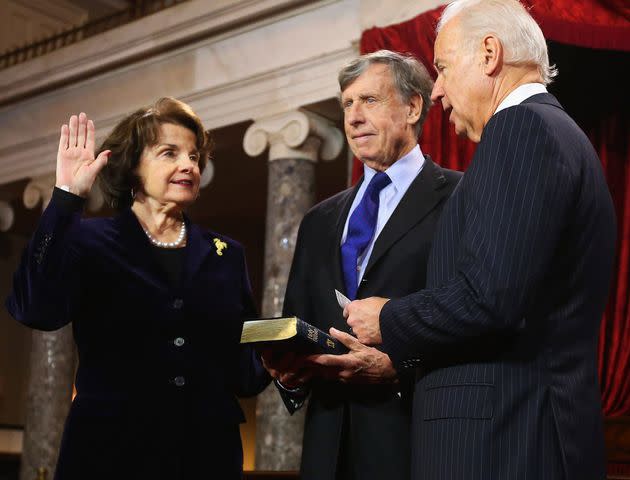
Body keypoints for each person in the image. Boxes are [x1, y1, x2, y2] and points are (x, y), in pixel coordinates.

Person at [320, 1, 616, 479]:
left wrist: (387, 318)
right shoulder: (556, 131)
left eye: (441, 68)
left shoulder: (521, 129)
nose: (436, 90)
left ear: (489, 54)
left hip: (502, 443)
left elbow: (492, 297)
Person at [6, 97, 270, 479]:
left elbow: (243, 371)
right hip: (110, 454)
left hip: (206, 456)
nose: (188, 165)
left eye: (195, 156)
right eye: (170, 153)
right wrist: (65, 199)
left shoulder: (226, 254)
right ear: (132, 166)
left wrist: (283, 359)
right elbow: (35, 308)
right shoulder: (87, 240)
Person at [263, 50, 461, 480]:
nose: (353, 116)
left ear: (412, 107)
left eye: (369, 100)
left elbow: (472, 315)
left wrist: (397, 368)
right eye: (347, 103)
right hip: (327, 447)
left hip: (413, 440)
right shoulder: (318, 220)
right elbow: (298, 317)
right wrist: (290, 374)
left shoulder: (461, 198)